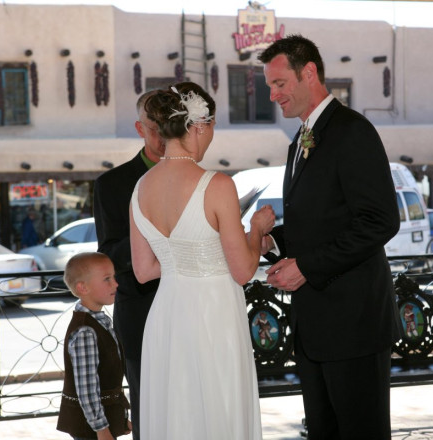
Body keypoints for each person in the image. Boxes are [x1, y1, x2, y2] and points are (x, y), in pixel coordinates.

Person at [258, 34, 402, 439]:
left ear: (309, 73)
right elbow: (325, 221)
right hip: (316, 328)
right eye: (270, 86)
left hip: (353, 325)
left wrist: (306, 266)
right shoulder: (300, 140)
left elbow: (379, 221)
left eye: (279, 84)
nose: (273, 95)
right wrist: (275, 241)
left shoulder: (353, 131)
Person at [129, 81, 275, 439]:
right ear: (200, 125)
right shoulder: (217, 184)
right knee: (217, 408)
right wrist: (257, 229)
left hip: (167, 315)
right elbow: (242, 270)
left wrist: (197, 254)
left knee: (176, 413)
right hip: (213, 314)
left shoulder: (141, 187)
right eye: (211, 128)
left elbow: (144, 270)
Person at [92, 90, 163, 440]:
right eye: (155, 128)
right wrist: (156, 238)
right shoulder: (112, 184)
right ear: (139, 128)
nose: (164, 135)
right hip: (141, 307)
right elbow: (108, 254)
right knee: (149, 408)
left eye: (171, 125)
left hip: (194, 303)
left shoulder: (201, 180)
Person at [56, 252, 131, 440]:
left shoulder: (100, 320)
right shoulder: (85, 332)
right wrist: (101, 429)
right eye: (107, 279)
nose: (115, 284)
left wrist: (120, 418)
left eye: (114, 277)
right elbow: (87, 389)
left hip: (103, 421)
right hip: (90, 428)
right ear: (83, 288)